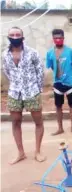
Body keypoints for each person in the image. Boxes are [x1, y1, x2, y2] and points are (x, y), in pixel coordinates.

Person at [2, 27, 46, 164]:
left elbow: (40, 72)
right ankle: (20, 153)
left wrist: (37, 88)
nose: (15, 37)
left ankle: (37, 151)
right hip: (14, 92)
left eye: (17, 34)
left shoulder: (32, 53)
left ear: (22, 37)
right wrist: (15, 84)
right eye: (12, 35)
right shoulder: (5, 54)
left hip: (32, 91)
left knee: (38, 121)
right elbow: (7, 72)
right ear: (8, 37)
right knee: (15, 122)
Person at [46, 29, 72, 135]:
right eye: (56, 38)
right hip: (57, 84)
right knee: (58, 106)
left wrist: (68, 74)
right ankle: (60, 128)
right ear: (53, 39)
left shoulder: (70, 51)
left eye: (60, 37)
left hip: (70, 84)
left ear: (63, 38)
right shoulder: (50, 53)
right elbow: (51, 66)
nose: (58, 39)